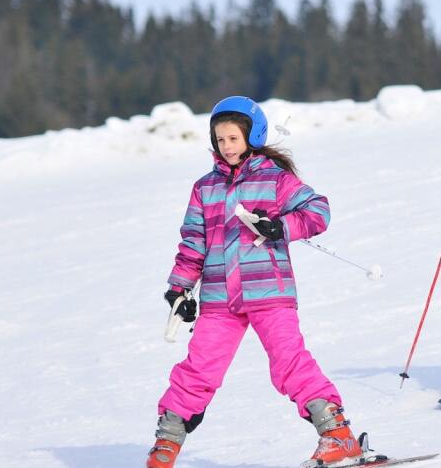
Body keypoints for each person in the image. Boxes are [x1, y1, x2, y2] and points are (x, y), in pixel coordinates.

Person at [146, 96, 363, 468]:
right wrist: (180, 287)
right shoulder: (205, 188)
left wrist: (282, 226)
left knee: (289, 362)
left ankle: (338, 436)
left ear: (253, 136)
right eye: (220, 140)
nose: (226, 147)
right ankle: (166, 445)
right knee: (199, 368)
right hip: (218, 298)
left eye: (233, 138)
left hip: (270, 292)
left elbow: (318, 211)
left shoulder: (275, 179)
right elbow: (193, 242)